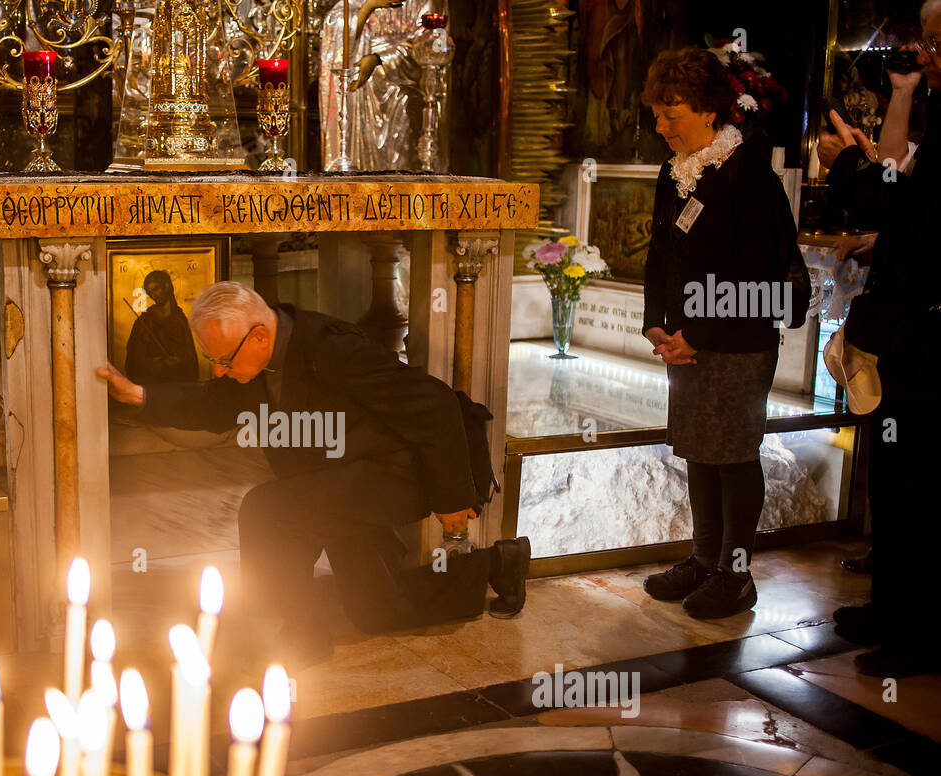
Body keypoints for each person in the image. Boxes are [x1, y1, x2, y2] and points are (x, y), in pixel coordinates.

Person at [96, 281, 531, 669]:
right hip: (341, 482)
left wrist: (452, 497)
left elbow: (435, 402)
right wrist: (139, 395)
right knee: (376, 608)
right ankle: (498, 563)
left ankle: (297, 633)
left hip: (394, 473)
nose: (219, 370)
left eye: (223, 360)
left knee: (269, 511)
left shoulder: (331, 347)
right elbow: (214, 404)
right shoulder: (256, 359)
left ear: (259, 335)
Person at [638, 47, 811, 619]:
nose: (660, 125)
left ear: (711, 111)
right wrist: (656, 322)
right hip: (686, 341)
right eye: (657, 113)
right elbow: (659, 257)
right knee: (698, 451)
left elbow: (755, 272)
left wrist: (699, 334)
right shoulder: (675, 171)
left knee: (733, 455)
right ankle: (703, 558)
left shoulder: (748, 175)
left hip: (735, 342)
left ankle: (735, 575)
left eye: (672, 112)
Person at [817, 0, 941, 676]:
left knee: (921, 488)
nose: (924, 55)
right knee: (895, 479)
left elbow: (905, 202)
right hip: (908, 330)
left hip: (932, 334)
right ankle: (892, 608)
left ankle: (918, 636)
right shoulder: (937, 107)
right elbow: (907, 199)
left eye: (936, 43)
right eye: (922, 41)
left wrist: (847, 170)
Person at [123, 271, 199, 385]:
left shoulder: (180, 319)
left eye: (156, 288)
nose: (154, 295)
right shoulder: (145, 321)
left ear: (167, 286)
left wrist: (178, 360)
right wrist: (152, 362)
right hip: (151, 386)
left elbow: (190, 359)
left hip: (178, 385)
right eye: (150, 292)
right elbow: (133, 360)